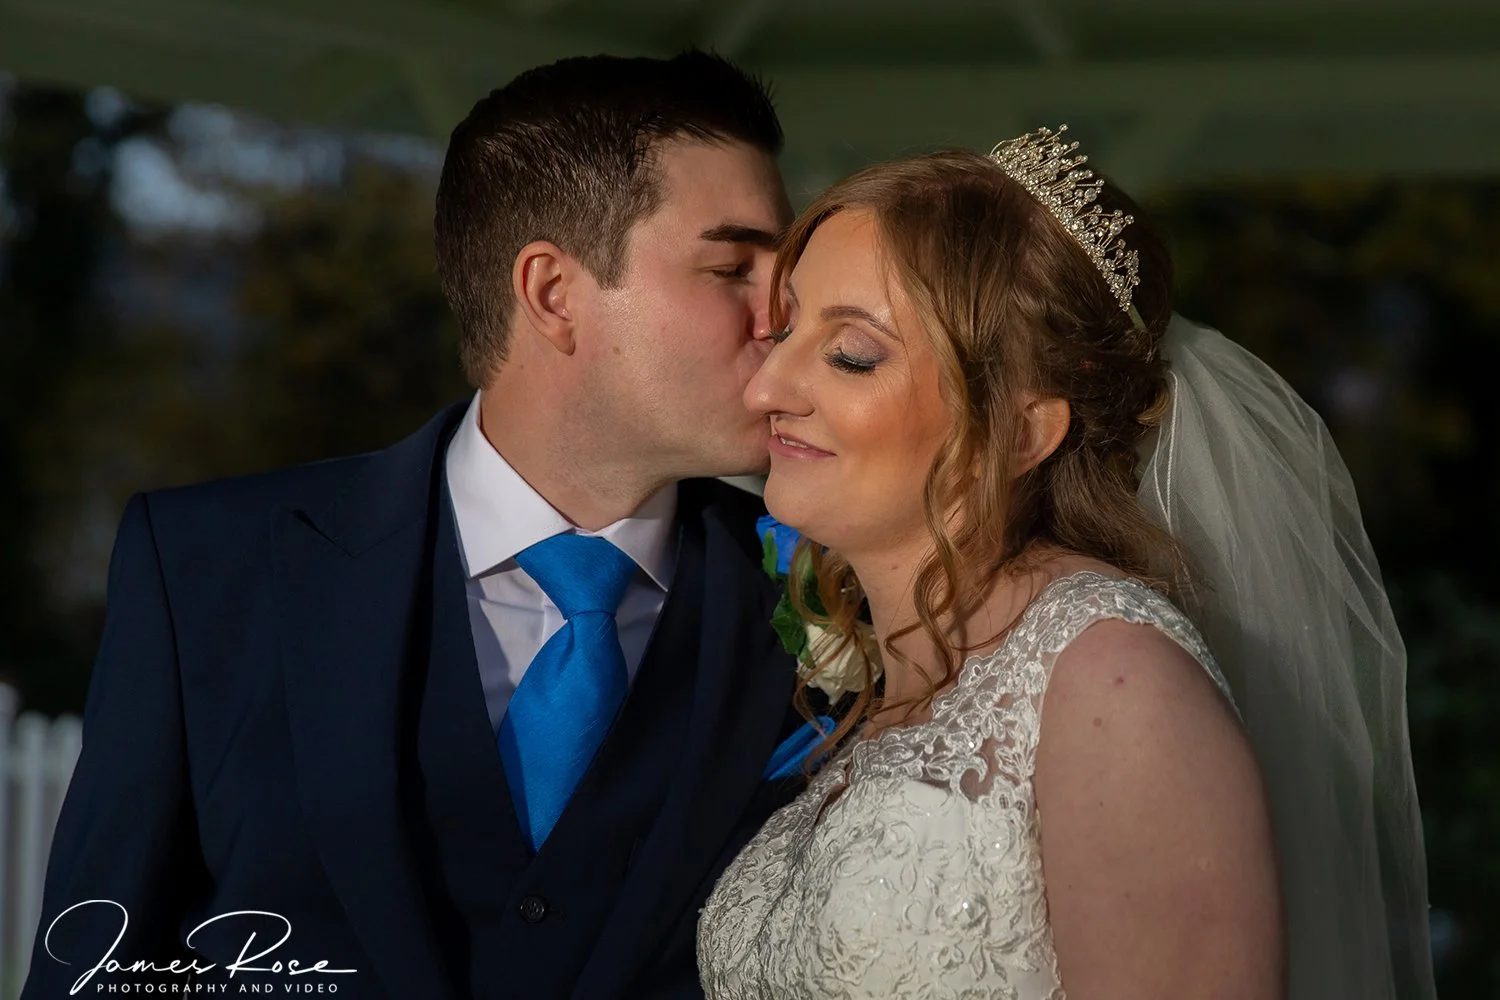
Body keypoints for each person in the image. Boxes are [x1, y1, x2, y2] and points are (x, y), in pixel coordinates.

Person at [25, 51, 815, 1000]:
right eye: (734, 266)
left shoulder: (831, 600)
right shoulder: (207, 570)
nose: (788, 313)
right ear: (553, 295)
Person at [697, 127, 1436, 999]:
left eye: (852, 354)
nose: (765, 388)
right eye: (783, 334)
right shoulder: (885, 680)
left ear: (1022, 431)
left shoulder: (1113, 684)